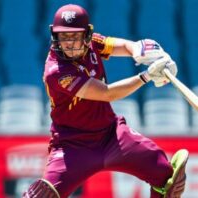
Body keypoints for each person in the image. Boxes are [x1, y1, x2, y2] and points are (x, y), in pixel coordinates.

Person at [23, 4, 189, 198]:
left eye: (75, 36)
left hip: (112, 135)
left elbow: (127, 46)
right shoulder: (57, 71)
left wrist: (140, 50)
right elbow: (107, 93)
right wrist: (147, 76)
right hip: (72, 146)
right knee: (44, 195)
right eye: (64, 36)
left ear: (86, 35)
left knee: (166, 177)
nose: (69, 43)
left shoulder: (93, 43)